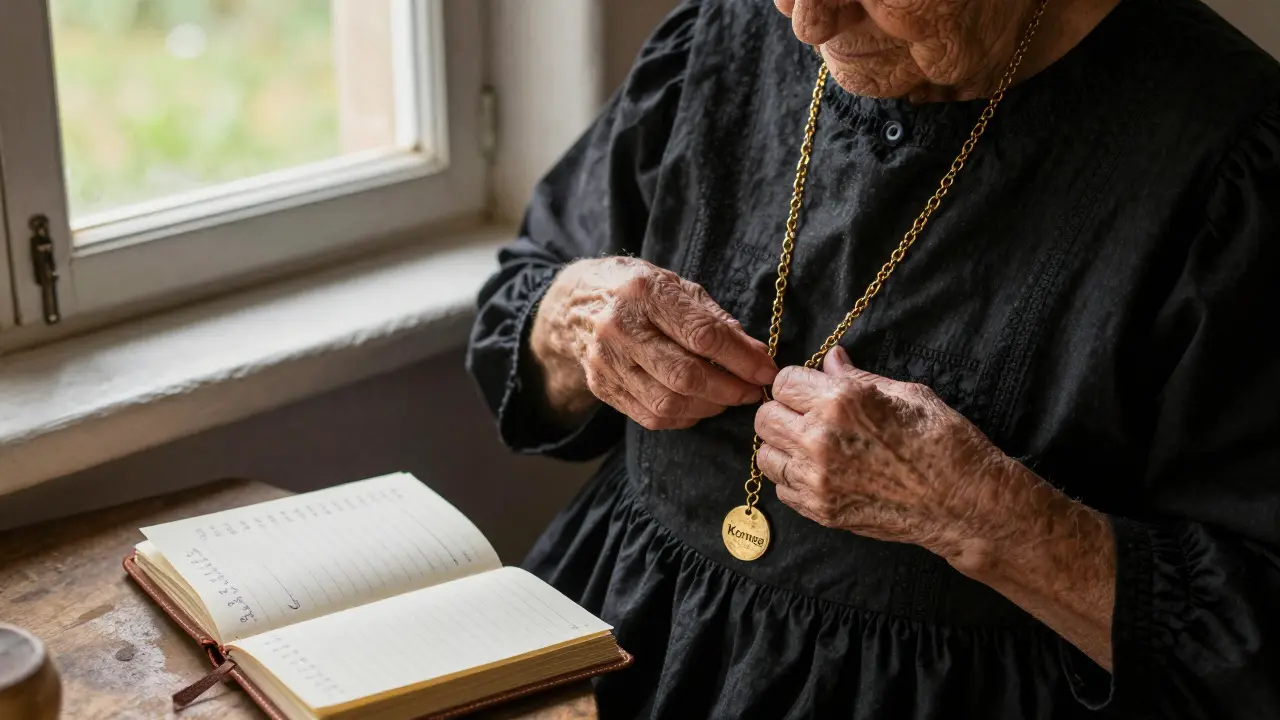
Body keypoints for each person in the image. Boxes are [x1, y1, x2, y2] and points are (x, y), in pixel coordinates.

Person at [467, 0, 1280, 716]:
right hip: (605, 659)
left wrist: (988, 514)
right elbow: (524, 302)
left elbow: (1257, 645)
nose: (808, 24)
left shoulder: (1229, 161)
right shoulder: (727, 27)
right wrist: (574, 320)